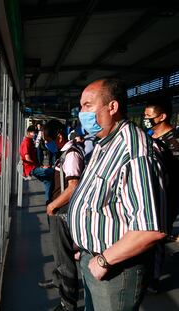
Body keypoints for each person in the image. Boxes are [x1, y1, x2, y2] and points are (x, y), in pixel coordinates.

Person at [67, 78, 167, 311]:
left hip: (114, 271)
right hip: (91, 259)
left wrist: (103, 260)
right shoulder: (105, 143)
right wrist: (83, 246)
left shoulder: (135, 152)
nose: (82, 112)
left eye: (88, 105)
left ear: (112, 107)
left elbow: (149, 229)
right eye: (81, 106)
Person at [38, 120, 85, 311]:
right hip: (57, 210)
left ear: (59, 136)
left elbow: (73, 186)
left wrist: (53, 206)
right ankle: (58, 281)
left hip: (62, 212)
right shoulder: (63, 154)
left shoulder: (71, 154)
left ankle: (68, 304)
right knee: (58, 253)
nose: (47, 144)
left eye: (48, 139)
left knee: (65, 260)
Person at [143, 97, 179, 292]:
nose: (146, 119)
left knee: (157, 238)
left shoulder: (175, 142)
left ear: (162, 116)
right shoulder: (151, 139)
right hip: (150, 196)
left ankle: (154, 280)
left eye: (149, 116)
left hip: (168, 198)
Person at [20, 125, 54, 203]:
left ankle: (48, 201)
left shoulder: (30, 141)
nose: (34, 134)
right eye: (32, 132)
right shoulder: (26, 142)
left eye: (35, 132)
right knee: (52, 172)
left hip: (33, 167)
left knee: (47, 180)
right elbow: (27, 157)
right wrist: (40, 166)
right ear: (28, 132)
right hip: (31, 168)